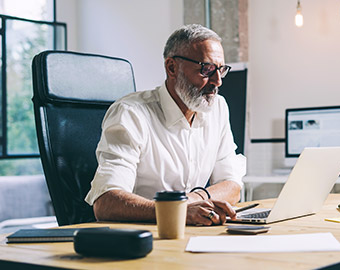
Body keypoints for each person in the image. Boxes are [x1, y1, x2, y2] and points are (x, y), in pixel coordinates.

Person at [85, 24, 246, 226]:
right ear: (172, 67)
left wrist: (192, 201)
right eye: (207, 69)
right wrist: (177, 212)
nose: (218, 81)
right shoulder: (131, 113)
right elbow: (105, 203)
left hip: (192, 234)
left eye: (221, 70)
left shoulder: (218, 108)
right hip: (141, 239)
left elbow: (232, 185)